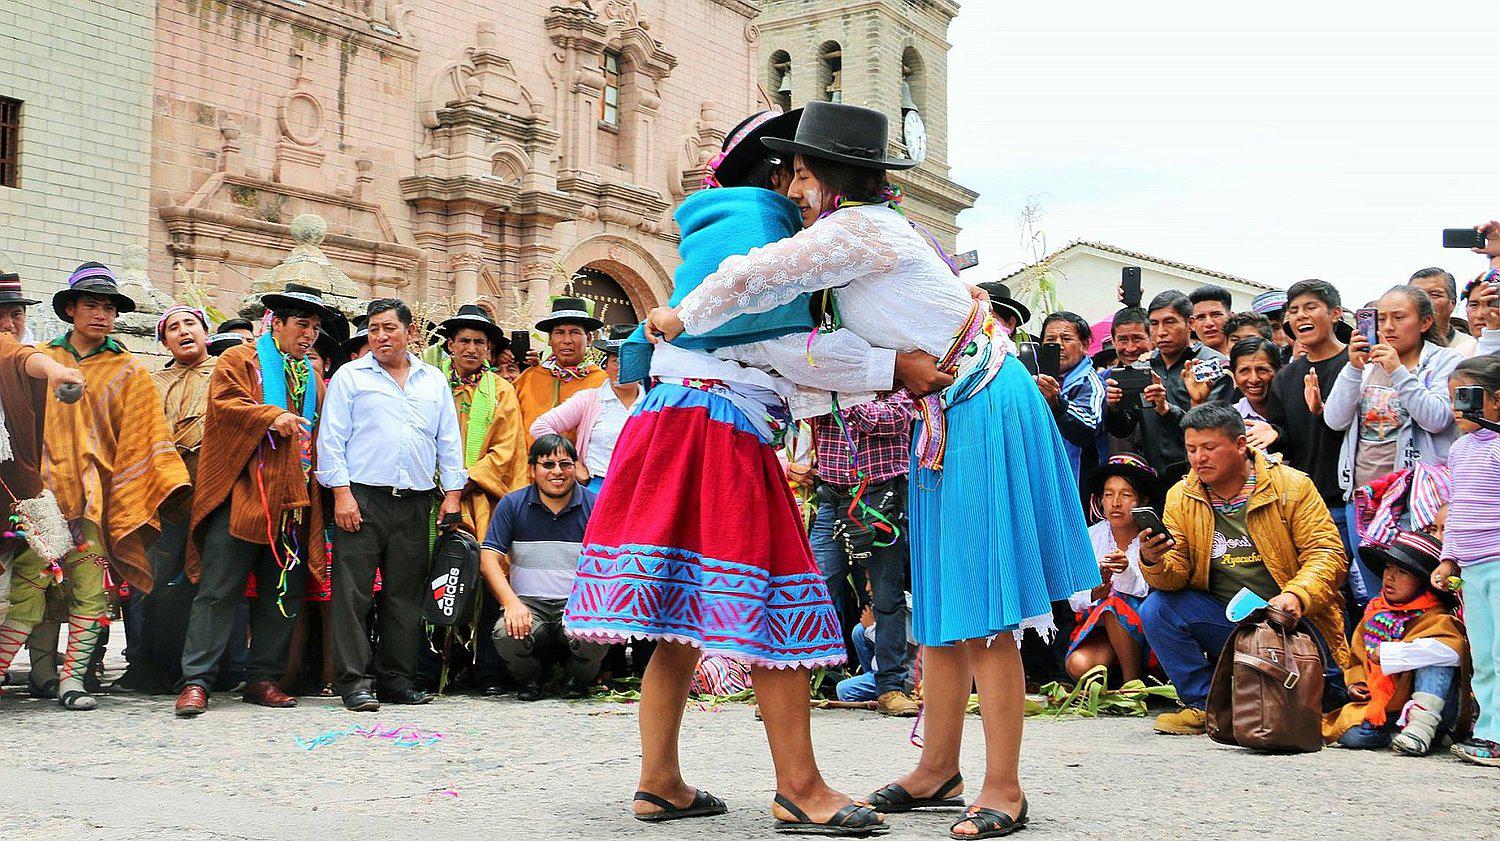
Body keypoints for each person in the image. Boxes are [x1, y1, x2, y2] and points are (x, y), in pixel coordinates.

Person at [649, 101, 1098, 837]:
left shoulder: (858, 230)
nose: (790, 188)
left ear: (829, 177)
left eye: (798, 172)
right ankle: (939, 767)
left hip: (980, 402)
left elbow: (755, 273)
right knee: (946, 600)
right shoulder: (856, 237)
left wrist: (680, 315)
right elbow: (819, 355)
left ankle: (1005, 786)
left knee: (984, 609)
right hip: (947, 411)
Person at [562, 106, 884, 833]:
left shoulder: (715, 230)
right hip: (714, 430)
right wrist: (897, 366)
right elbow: (790, 350)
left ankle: (659, 780)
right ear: (772, 174)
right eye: (798, 171)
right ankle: (800, 786)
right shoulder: (756, 230)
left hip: (675, 425)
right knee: (776, 602)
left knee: (678, 619)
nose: (806, 187)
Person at [0, 263, 189, 710]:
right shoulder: (41, 357)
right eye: (91, 305)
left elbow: (148, 437)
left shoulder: (129, 371)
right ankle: (26, 670)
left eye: (109, 307)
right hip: (39, 497)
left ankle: (73, 680)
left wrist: (163, 488)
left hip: (94, 497)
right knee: (31, 586)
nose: (101, 314)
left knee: (89, 588)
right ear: (70, 309)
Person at [173, 285, 338, 716]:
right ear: (276, 322)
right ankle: (196, 681)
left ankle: (262, 678)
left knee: (280, 594)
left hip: (294, 501)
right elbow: (225, 406)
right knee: (218, 590)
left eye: (315, 329)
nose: (309, 336)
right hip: (244, 493)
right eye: (302, 324)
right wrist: (272, 415)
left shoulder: (313, 378)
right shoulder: (238, 360)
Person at [1138, 403, 1350, 736]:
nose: (1198, 458)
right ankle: (1207, 705)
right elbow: (1176, 575)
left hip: (1292, 622)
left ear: (1240, 445)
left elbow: (1328, 553)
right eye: (1191, 449)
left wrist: (1297, 594)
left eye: (1209, 448)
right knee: (1157, 609)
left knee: (1327, 700)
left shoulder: (1291, 487)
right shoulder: (1181, 495)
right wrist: (1155, 560)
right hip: (1231, 621)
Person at [317, 298, 465, 712]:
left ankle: (396, 681)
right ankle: (354, 682)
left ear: (410, 332)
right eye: (374, 329)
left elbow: (448, 441)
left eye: (389, 328)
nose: (380, 336)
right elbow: (331, 439)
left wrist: (452, 493)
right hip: (362, 499)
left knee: (404, 594)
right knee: (353, 595)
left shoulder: (432, 380)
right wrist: (341, 493)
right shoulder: (350, 376)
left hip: (416, 502)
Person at [1324, 285, 1462, 609]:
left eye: (1399, 317)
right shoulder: (1367, 364)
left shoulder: (1444, 361)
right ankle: (1383, 657)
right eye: (1381, 318)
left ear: (1425, 322)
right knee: (1379, 596)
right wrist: (1353, 367)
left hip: (1414, 502)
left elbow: (1438, 418)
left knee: (1424, 597)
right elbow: (1334, 419)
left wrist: (1398, 371)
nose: (1387, 327)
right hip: (1364, 498)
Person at [114, 305, 216, 694]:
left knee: (205, 581)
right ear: (164, 341)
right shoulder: (150, 382)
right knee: (152, 581)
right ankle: (147, 665)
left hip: (211, 489)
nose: (183, 331)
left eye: (190, 323)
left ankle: (200, 671)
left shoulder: (228, 372)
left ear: (205, 332)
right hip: (164, 491)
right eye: (173, 328)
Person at [806, 389, 919, 717]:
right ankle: (792, 684)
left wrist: (839, 392)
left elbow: (891, 418)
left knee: (888, 597)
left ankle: (891, 689)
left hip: (882, 498)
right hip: (831, 496)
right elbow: (803, 409)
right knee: (813, 591)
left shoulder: (897, 368)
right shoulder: (824, 370)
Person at [480, 435, 607, 700]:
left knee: (596, 634)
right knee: (505, 633)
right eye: (548, 465)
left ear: (576, 467)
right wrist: (511, 603)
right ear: (532, 469)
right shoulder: (512, 504)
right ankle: (531, 678)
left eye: (565, 463)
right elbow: (489, 557)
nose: (558, 472)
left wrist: (593, 606)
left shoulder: (595, 506)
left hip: (576, 604)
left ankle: (576, 678)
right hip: (529, 605)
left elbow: (610, 562)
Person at [1325, 530, 1467, 755]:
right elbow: (1357, 658)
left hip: (1436, 709)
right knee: (1352, 736)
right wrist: (1356, 683)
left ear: (1422, 582)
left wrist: (1392, 655)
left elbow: (1455, 651)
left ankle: (1421, 729)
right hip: (1387, 705)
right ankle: (1395, 732)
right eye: (1388, 568)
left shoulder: (1436, 616)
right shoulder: (1375, 612)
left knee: (1437, 657)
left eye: (1401, 572)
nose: (1390, 577)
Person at [0, 332, 88, 683]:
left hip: (20, 498)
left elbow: (23, 358)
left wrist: (54, 370)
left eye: (17, 315)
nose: (10, 324)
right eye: (2, 314)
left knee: (28, 587)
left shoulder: (16, 354)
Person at [1432, 355, 1500, 765]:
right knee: (1486, 654)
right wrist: (1448, 558)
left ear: (1497, 400)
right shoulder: (1459, 449)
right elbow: (1456, 508)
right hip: (1472, 567)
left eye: (1467, 397)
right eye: (1451, 398)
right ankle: (1490, 733)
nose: (1456, 408)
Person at [1106, 291, 1232, 475]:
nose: (1161, 332)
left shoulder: (1212, 365)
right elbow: (1122, 430)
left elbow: (1213, 430)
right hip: (1154, 479)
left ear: (1190, 323)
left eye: (1169, 322)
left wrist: (1166, 409)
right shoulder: (1142, 367)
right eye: (1154, 324)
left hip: (1203, 475)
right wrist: (1114, 407)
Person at [1065, 454, 1158, 685]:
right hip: (1099, 626)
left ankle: (1131, 683)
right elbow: (1074, 597)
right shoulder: (1090, 537)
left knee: (1114, 605)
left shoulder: (1152, 539)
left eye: (1126, 495)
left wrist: (1124, 571)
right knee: (1078, 666)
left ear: (1142, 501)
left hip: (1144, 629)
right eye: (1109, 494)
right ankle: (1117, 670)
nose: (1116, 503)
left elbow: (1148, 589)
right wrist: (1096, 590)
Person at [529, 325, 640, 492]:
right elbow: (540, 427)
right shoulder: (590, 399)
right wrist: (571, 462)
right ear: (607, 366)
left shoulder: (654, 403)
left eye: (630, 360)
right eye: (616, 361)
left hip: (643, 490)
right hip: (598, 488)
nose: (621, 368)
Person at [510, 297, 606, 435]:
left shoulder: (603, 383)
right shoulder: (529, 378)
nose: (567, 340)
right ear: (550, 339)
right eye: (560, 333)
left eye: (575, 332)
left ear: (589, 339)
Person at [1036, 311, 1106, 493]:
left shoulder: (1091, 383)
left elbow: (1088, 428)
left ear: (1085, 345)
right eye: (1050, 339)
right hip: (1043, 480)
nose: (1058, 345)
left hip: (1078, 486)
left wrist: (1057, 404)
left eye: (1066, 338)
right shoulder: (1031, 381)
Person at [1222, 337, 1282, 455]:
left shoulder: (1295, 412)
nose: (1253, 379)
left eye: (1262, 370)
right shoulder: (1228, 419)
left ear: (1279, 372)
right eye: (1244, 371)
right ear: (1234, 375)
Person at [1410, 268, 1479, 358]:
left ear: (1452, 303)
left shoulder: (1472, 349)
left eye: (1434, 295)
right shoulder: (1394, 347)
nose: (1425, 301)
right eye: (1417, 295)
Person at [1188, 285, 1234, 356]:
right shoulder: (1187, 362)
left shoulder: (1250, 358)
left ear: (1231, 317)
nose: (1209, 323)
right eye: (1201, 317)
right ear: (1191, 324)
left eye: (1216, 315)